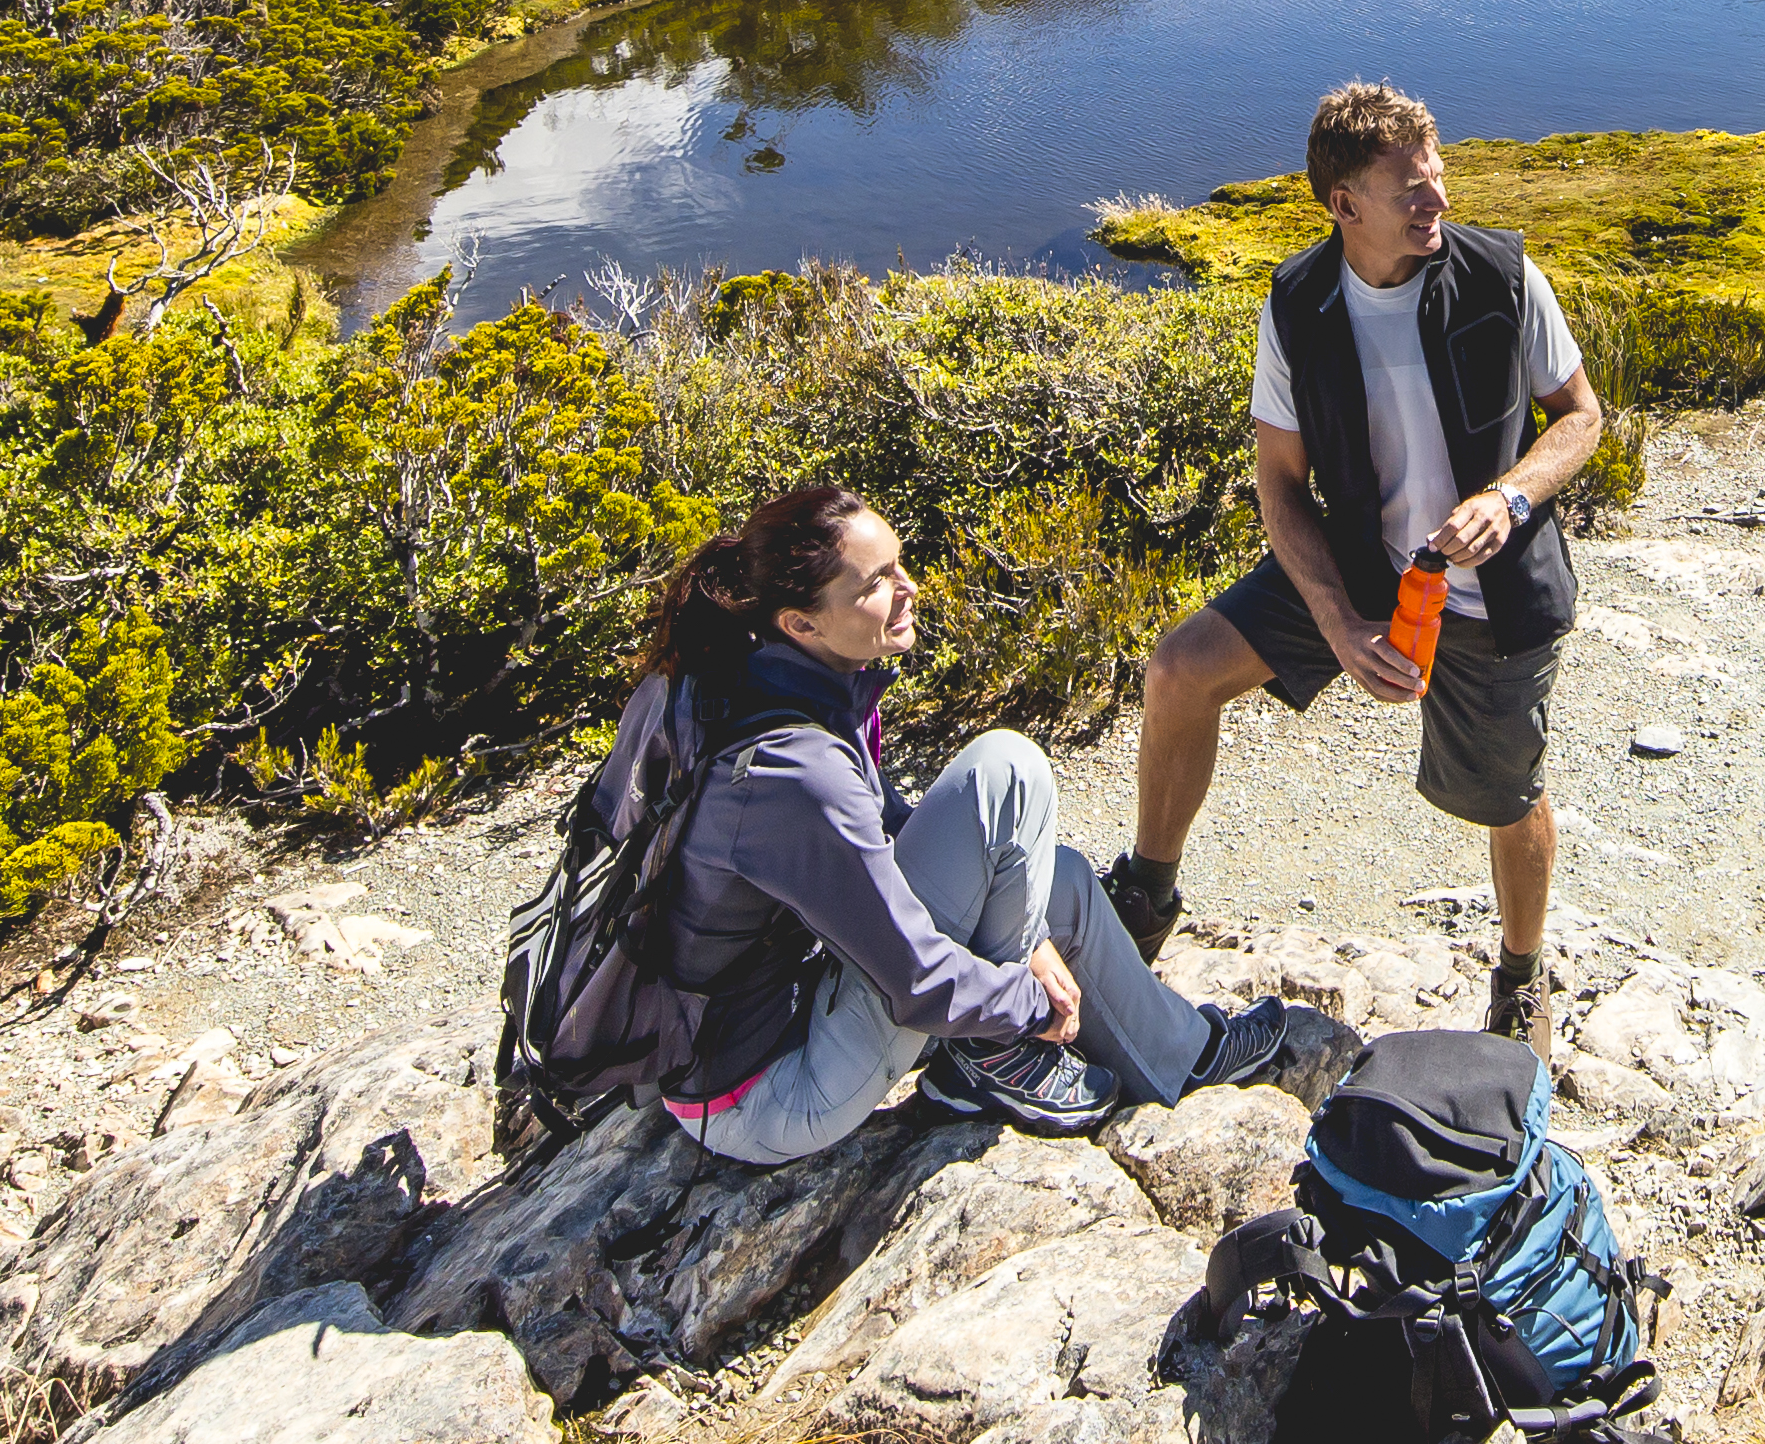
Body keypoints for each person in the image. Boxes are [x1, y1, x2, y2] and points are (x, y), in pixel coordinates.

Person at [602, 478, 1353, 1164]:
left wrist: (1016, 951)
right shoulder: (791, 770)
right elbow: (915, 979)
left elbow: (872, 852)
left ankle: (1180, 1052)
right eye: (878, 583)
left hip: (792, 1003)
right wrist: (1025, 1002)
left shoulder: (756, 675)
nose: (910, 588)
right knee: (1007, 768)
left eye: (900, 564)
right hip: (771, 1092)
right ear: (802, 620)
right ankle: (994, 1057)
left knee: (1053, 876)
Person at [1105, 79, 1605, 1041]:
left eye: (1439, 176)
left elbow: (1580, 418)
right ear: (1346, 205)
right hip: (1363, 562)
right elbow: (1280, 485)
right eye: (1412, 189)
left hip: (1492, 586)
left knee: (1509, 792)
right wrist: (1336, 621)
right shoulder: (1295, 307)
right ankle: (1147, 892)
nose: (1440, 202)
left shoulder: (1504, 278)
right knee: (1178, 671)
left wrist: (1512, 496)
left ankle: (1520, 978)